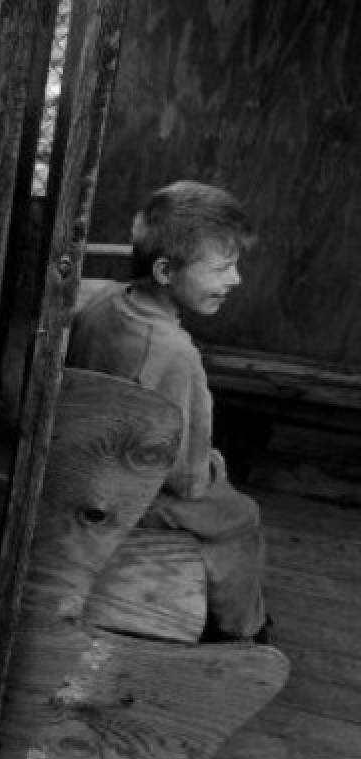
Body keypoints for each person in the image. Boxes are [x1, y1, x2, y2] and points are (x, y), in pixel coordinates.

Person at [67, 180, 270, 642]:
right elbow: (185, 477)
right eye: (222, 268)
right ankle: (241, 630)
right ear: (164, 270)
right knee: (240, 514)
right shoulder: (178, 356)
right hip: (121, 493)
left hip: (87, 463)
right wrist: (211, 468)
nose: (235, 279)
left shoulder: (105, 300)